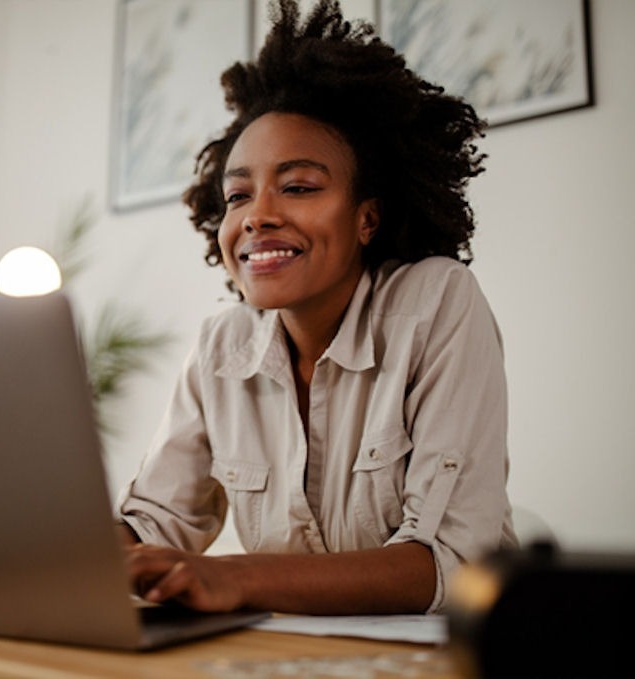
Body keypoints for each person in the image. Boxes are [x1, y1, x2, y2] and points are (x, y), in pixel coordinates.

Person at [116, 0, 518, 615]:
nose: (259, 215)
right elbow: (158, 522)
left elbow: (447, 563)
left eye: (299, 186)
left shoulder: (435, 301)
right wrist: (62, 556)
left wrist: (238, 577)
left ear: (367, 218)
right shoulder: (222, 346)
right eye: (238, 195)